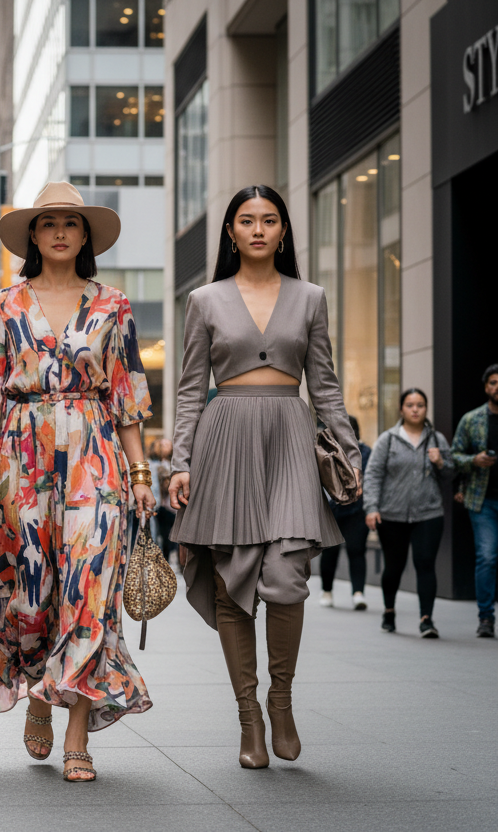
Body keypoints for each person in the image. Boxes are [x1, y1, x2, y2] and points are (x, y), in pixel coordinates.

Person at [0, 182, 157, 783]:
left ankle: (78, 736)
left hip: (95, 457)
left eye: (70, 223)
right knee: (30, 598)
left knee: (88, 596)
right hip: (20, 463)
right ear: (34, 234)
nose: (58, 231)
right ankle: (37, 688)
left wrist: (139, 474)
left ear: (85, 236)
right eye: (47, 222)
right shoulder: (5, 304)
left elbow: (127, 396)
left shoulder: (113, 305)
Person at [168, 185, 361, 770]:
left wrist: (347, 453)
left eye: (269, 220)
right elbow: (188, 389)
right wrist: (180, 461)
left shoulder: (310, 298)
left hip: (289, 439)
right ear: (231, 232)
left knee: (286, 575)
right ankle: (248, 716)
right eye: (246, 221)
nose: (258, 229)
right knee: (233, 580)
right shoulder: (203, 299)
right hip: (224, 439)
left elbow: (323, 384)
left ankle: (281, 700)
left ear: (283, 231)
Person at [364, 389, 453, 637]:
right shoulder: (388, 439)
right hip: (391, 515)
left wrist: (441, 462)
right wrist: (371, 508)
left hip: (428, 513)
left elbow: (450, 476)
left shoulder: (437, 439)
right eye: (410, 405)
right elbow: (373, 476)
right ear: (401, 409)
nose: (415, 409)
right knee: (394, 567)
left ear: (426, 409)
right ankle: (389, 610)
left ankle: (426, 619)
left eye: (420, 405)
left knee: (425, 564)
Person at [449, 364, 498, 638]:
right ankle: (486, 618)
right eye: (493, 382)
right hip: (483, 500)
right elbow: (454, 456)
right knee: (488, 556)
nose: (497, 387)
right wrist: (475, 460)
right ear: (486, 387)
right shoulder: (472, 419)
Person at [319, 415, 372, 611]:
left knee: (357, 551)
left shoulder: (364, 452)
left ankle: (358, 593)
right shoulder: (324, 451)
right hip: (331, 510)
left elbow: (370, 477)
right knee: (330, 552)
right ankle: (326, 591)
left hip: (357, 510)